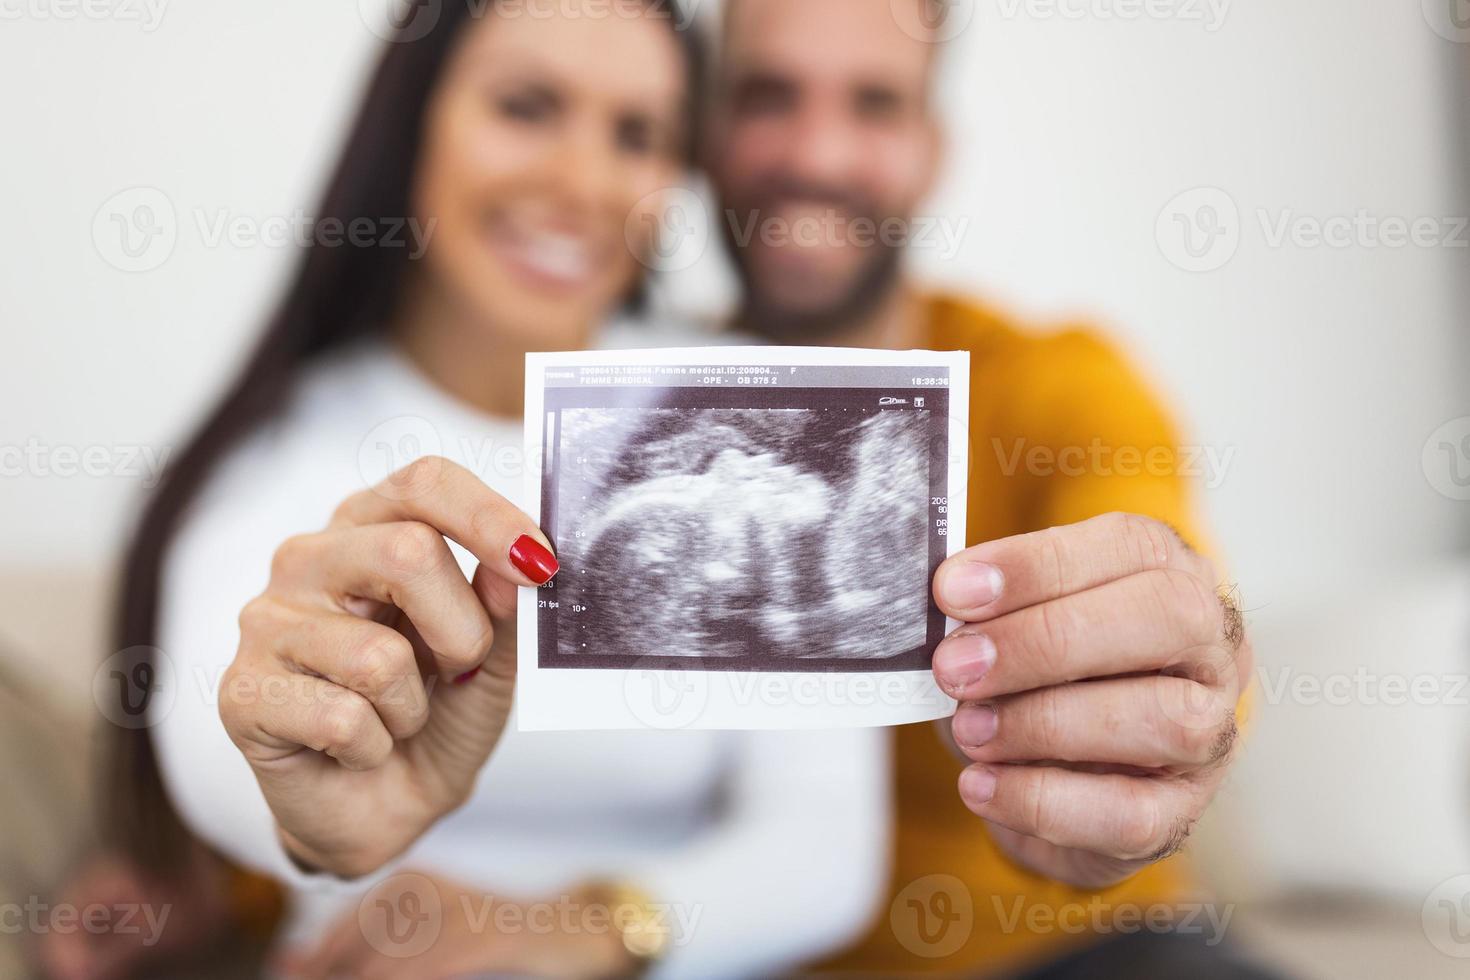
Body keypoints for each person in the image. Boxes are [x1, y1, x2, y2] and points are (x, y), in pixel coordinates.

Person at [87, 2, 888, 978]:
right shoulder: (272, 454)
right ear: (412, 126)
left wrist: (600, 923)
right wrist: (317, 812)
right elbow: (216, 738)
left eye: (637, 134)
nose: (582, 182)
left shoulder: (750, 412)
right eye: (526, 105)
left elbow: (827, 847)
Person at [699, 0, 1257, 975]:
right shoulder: (636, 406)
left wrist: (1184, 664)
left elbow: (1155, 540)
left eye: (874, 104)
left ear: (931, 148)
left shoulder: (1057, 381)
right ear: (703, 132)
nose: (818, 154)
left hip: (1085, 948)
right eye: (768, 95)